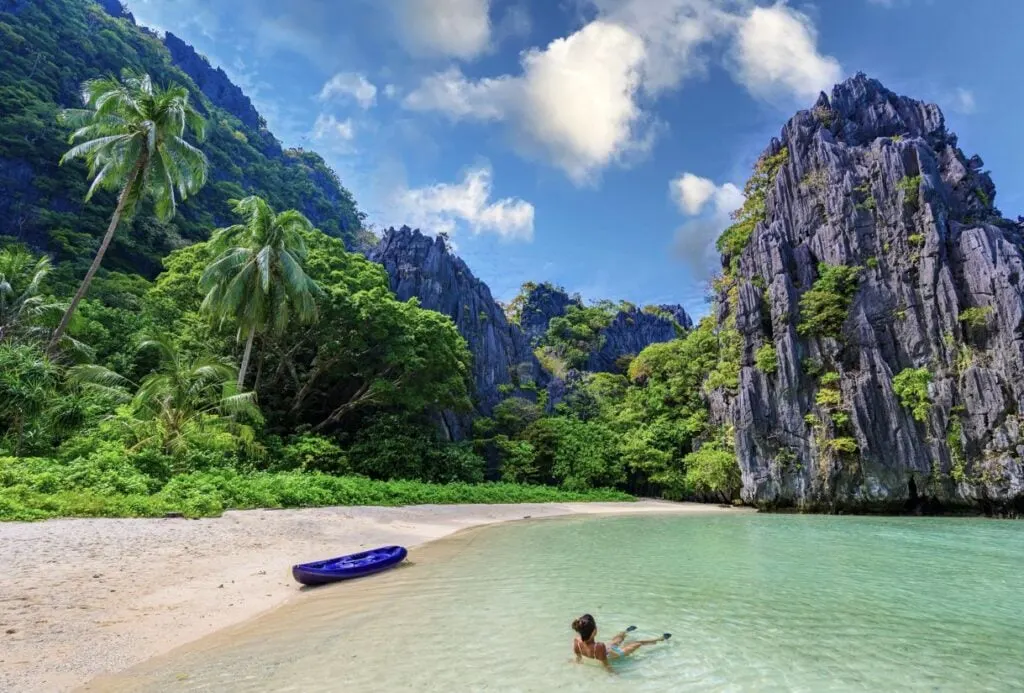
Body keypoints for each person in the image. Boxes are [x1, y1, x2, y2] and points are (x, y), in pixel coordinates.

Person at [571, 614, 670, 671]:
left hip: (605, 651)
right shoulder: (599, 646)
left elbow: (578, 657)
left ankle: (626, 632)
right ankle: (660, 639)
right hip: (614, 654)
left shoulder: (577, 641)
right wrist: (614, 675)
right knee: (638, 642)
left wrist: (576, 663)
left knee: (617, 639)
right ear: (594, 631)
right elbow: (606, 665)